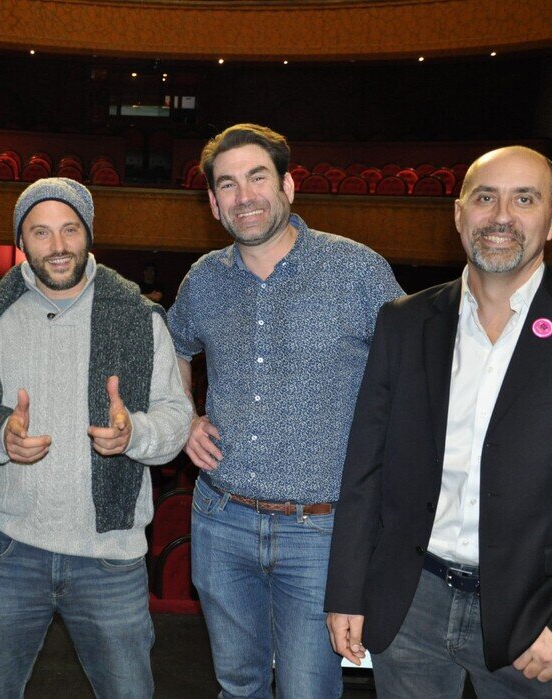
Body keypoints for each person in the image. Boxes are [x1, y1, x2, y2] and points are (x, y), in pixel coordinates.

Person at [325, 146, 552, 697]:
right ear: (458, 213)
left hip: (540, 618)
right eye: (485, 197)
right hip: (412, 605)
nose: (500, 215)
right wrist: (347, 591)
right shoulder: (404, 322)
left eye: (525, 199)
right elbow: (363, 471)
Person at [166, 123, 403, 698]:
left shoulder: (357, 271)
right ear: (214, 203)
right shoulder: (204, 279)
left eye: (257, 177)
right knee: (238, 685)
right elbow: (175, 343)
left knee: (307, 691)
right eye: (227, 184)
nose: (244, 195)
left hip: (321, 530)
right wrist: (184, 417)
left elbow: (408, 375)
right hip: (222, 517)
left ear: (289, 186)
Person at [0, 177, 192, 698]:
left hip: (110, 556)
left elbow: (176, 419)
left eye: (69, 229)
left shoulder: (139, 317)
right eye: (40, 232)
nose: (57, 246)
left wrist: (134, 433)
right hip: (13, 550)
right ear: (21, 241)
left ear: (88, 233)